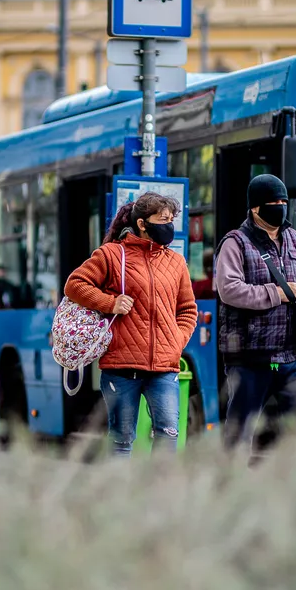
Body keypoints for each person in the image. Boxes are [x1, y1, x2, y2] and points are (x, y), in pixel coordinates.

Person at [64, 192, 198, 456]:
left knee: (169, 433)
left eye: (171, 220)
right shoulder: (112, 255)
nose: (169, 225)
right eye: (162, 220)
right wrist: (109, 303)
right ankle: (120, 495)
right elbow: (74, 285)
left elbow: (187, 309)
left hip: (164, 367)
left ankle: (159, 495)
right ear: (142, 223)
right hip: (121, 367)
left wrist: (175, 342)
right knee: (122, 440)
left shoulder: (175, 262)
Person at [216, 174, 296, 453]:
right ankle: (230, 487)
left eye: (283, 201)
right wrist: (276, 293)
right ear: (254, 208)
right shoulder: (235, 243)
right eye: (273, 202)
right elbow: (229, 290)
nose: (280, 206)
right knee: (239, 434)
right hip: (252, 358)